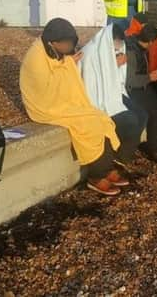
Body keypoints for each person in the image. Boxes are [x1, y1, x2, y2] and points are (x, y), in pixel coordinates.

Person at [20, 18, 128, 196]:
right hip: (46, 107)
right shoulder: (36, 59)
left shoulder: (53, 49)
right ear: (55, 42)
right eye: (67, 44)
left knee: (101, 118)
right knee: (89, 126)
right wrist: (69, 64)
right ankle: (96, 176)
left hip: (62, 102)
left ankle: (107, 168)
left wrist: (68, 62)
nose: (70, 47)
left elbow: (59, 69)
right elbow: (48, 90)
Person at [79, 23, 146, 168]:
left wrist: (117, 64)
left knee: (142, 115)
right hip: (98, 98)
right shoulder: (90, 53)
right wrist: (115, 64)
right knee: (131, 121)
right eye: (115, 47)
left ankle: (125, 153)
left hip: (113, 92)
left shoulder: (109, 51)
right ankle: (121, 156)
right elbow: (93, 84)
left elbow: (114, 78)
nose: (117, 50)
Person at [125, 23, 157, 160]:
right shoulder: (131, 52)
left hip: (143, 86)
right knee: (155, 112)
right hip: (133, 91)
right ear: (151, 41)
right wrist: (149, 77)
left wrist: (152, 76)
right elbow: (129, 80)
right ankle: (153, 150)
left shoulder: (141, 49)